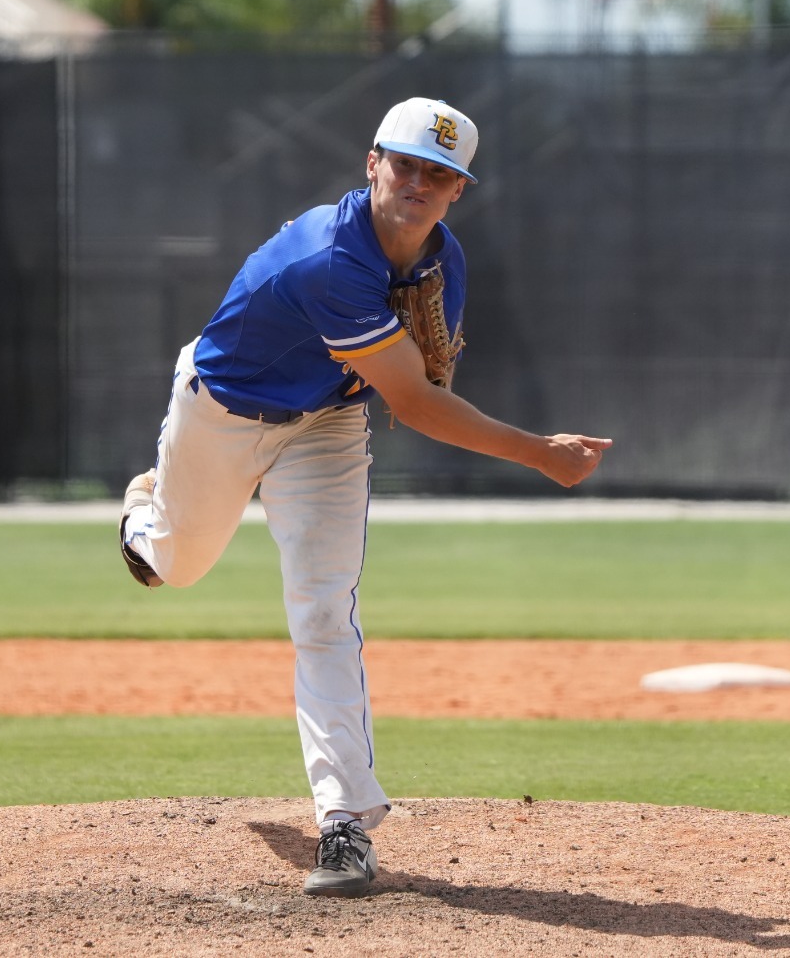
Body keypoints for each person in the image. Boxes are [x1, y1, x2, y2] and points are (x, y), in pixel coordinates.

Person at [117, 96, 613, 898]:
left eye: (440, 173)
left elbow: (422, 383)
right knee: (175, 564)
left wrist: (419, 374)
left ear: (459, 190)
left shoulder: (443, 261)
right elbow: (417, 405)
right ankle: (144, 514)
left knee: (324, 608)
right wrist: (538, 453)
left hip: (327, 425)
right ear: (372, 163)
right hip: (222, 411)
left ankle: (343, 825)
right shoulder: (328, 256)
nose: (420, 182)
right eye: (408, 163)